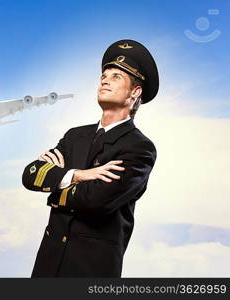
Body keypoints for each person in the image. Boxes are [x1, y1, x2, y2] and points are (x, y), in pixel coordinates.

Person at [22, 39, 158, 277]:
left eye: (116, 77)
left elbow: (97, 201)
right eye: (104, 75)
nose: (105, 80)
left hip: (91, 270)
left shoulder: (140, 148)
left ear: (135, 92)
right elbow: (30, 174)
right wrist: (78, 175)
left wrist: (56, 183)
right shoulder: (75, 136)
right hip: (47, 265)